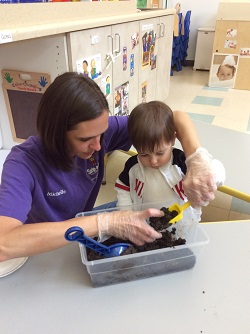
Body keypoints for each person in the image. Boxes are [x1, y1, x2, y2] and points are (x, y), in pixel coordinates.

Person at [0, 72, 218, 262]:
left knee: (138, 209)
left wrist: (196, 159)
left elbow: (174, 118)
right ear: (55, 132)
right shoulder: (22, 164)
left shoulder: (100, 135)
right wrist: (104, 222)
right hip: (46, 248)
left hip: (83, 220)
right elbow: (4, 243)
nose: (98, 146)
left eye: (101, 134)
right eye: (85, 139)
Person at [115, 101, 225, 219]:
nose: (153, 161)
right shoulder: (133, 166)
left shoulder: (181, 162)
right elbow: (123, 187)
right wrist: (127, 213)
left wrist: (209, 173)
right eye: (144, 154)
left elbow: (217, 168)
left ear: (173, 139)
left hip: (183, 221)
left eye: (160, 153)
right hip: (144, 222)